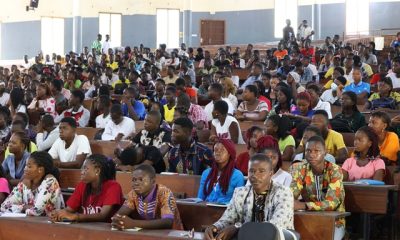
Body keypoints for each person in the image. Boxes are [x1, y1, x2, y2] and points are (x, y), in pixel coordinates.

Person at [204, 154, 294, 240]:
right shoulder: (240, 192)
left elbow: (273, 226)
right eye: (252, 171)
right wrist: (215, 227)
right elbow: (228, 219)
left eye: (261, 171)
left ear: (271, 173)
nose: (255, 176)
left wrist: (238, 228)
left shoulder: (283, 192)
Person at [290, 136, 346, 240]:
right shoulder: (300, 168)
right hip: (308, 218)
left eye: (317, 151)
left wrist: (303, 205)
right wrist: (291, 201)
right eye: (308, 151)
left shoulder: (334, 170)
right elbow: (291, 194)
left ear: (325, 152)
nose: (312, 154)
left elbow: (331, 203)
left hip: (334, 221)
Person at [50, 154, 123, 222]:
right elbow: (69, 209)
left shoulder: (113, 186)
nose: (82, 172)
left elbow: (103, 215)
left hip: (107, 230)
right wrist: (58, 213)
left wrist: (76, 217)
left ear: (97, 171)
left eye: (85, 168)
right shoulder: (82, 185)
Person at [111, 164, 183, 230]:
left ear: (153, 181)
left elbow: (168, 222)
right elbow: (119, 214)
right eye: (134, 180)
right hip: (149, 233)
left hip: (172, 234)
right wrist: (117, 220)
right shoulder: (133, 193)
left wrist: (133, 223)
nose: (136, 183)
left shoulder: (164, 192)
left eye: (141, 179)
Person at [1, 151, 64, 216]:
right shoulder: (25, 183)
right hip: (29, 223)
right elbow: (4, 207)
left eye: (29, 166)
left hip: (51, 224)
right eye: (26, 165)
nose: (25, 169)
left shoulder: (50, 181)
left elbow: (37, 211)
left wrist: (21, 207)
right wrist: (24, 207)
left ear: (40, 170)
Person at [198, 139, 244, 204]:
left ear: (229, 154)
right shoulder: (206, 173)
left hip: (226, 211)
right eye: (215, 150)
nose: (218, 153)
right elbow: (200, 198)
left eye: (222, 150)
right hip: (206, 210)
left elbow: (239, 202)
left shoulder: (237, 175)